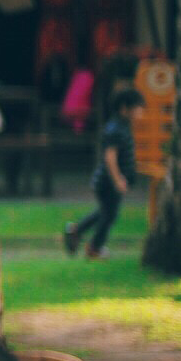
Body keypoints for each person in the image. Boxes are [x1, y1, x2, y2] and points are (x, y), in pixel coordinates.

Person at [64, 87, 144, 261]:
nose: (141, 112)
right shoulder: (115, 129)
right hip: (108, 182)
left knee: (105, 212)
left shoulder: (122, 126)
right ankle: (94, 247)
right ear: (125, 108)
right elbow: (110, 157)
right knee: (109, 215)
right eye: (138, 107)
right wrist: (117, 180)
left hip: (109, 181)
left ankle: (77, 231)